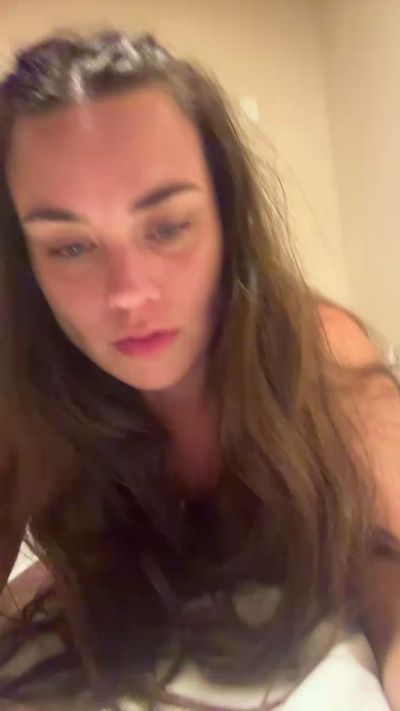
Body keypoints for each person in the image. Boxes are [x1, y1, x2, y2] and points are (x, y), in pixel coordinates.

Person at [0, 29, 399, 711]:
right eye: (70, 246)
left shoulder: (314, 357)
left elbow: (388, 558)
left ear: (226, 220)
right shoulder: (24, 395)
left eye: (165, 228)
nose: (129, 294)